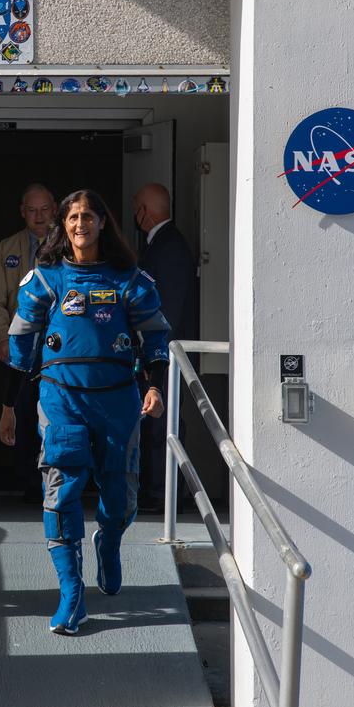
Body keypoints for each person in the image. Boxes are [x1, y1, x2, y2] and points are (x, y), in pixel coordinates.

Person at [0, 190, 170, 635]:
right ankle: (71, 593)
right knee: (61, 490)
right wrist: (8, 407)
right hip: (62, 400)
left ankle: (109, 538)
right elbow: (20, 348)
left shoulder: (129, 279)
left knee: (121, 495)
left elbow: (154, 337)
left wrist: (153, 386)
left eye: (88, 216)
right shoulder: (46, 279)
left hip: (117, 401)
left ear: (102, 223)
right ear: (63, 224)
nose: (80, 224)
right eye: (72, 217)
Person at [0, 183, 57, 500]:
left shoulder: (71, 244)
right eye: (32, 210)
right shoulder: (7, 248)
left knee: (56, 413)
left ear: (54, 209)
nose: (38, 216)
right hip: (20, 345)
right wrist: (1, 337)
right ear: (22, 212)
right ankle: (28, 483)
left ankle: (55, 479)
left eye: (44, 209)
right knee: (21, 411)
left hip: (59, 346)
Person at [132, 183, 199, 510]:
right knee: (154, 421)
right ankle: (156, 490)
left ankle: (165, 494)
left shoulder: (169, 246)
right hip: (158, 350)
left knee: (164, 424)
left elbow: (168, 307)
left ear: (145, 210)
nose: (135, 215)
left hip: (166, 352)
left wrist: (152, 348)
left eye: (137, 208)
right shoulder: (160, 243)